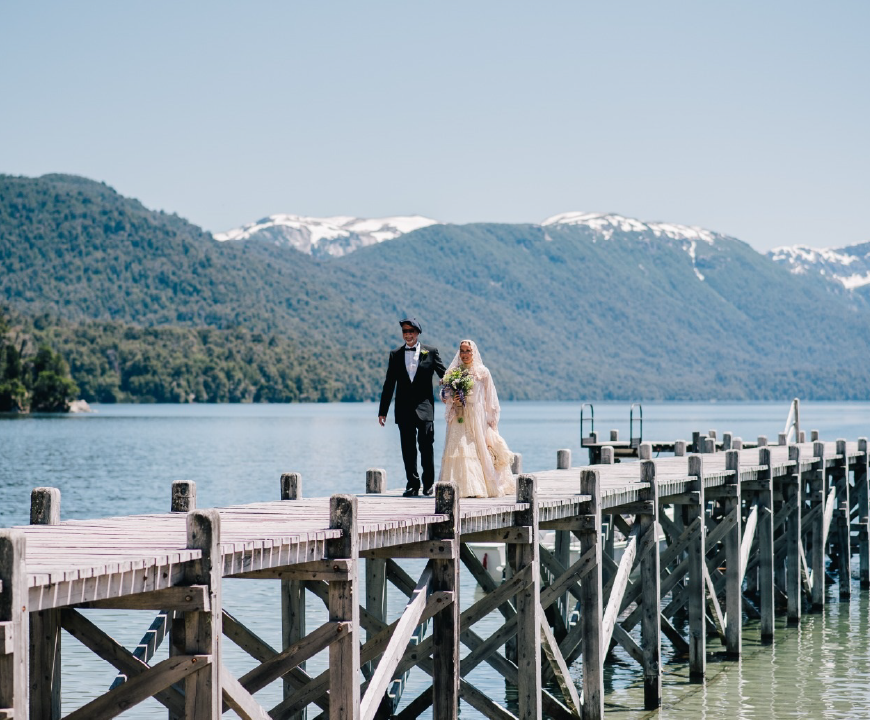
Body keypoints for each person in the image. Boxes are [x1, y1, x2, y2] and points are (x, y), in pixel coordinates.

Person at [378, 318, 447, 497]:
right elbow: (389, 384)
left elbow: (444, 374)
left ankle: (428, 484)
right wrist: (382, 411)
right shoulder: (395, 354)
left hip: (425, 409)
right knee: (408, 449)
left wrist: (458, 385)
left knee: (426, 447)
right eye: (405, 331)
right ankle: (412, 484)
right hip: (403, 409)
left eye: (411, 331)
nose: (407, 334)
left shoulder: (431, 352)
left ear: (417, 333)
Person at [439, 340, 515, 498]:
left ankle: (476, 487)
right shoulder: (454, 372)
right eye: (462, 351)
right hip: (459, 415)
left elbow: (491, 398)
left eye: (468, 351)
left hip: (476, 416)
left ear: (474, 352)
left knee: (475, 448)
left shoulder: (483, 372)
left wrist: (491, 421)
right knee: (458, 447)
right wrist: (454, 398)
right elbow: (444, 394)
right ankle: (456, 487)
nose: (465, 354)